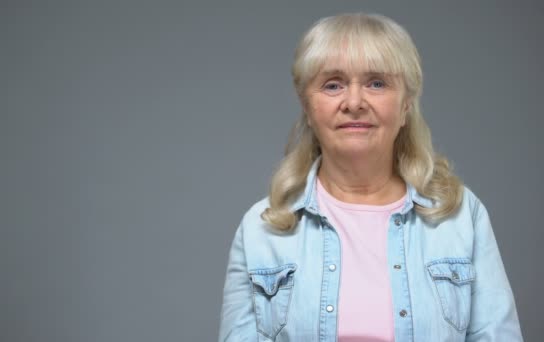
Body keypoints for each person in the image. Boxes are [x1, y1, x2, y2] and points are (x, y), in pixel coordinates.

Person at [218, 13, 523, 342]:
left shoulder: (461, 217)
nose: (353, 102)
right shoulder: (261, 229)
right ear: (307, 105)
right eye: (333, 84)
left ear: (406, 104)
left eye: (376, 83)